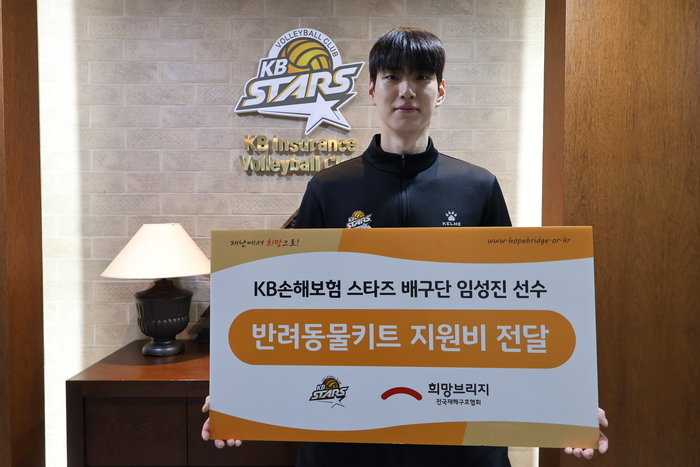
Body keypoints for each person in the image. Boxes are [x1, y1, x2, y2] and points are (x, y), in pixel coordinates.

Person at [202, 27, 608, 465]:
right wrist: (239, 396)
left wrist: (567, 406)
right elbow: (291, 313)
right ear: (371, 90)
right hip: (347, 434)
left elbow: (516, 311)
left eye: (421, 77)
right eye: (393, 76)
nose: (406, 90)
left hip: (459, 433)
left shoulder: (477, 187)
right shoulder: (328, 188)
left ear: (441, 90)